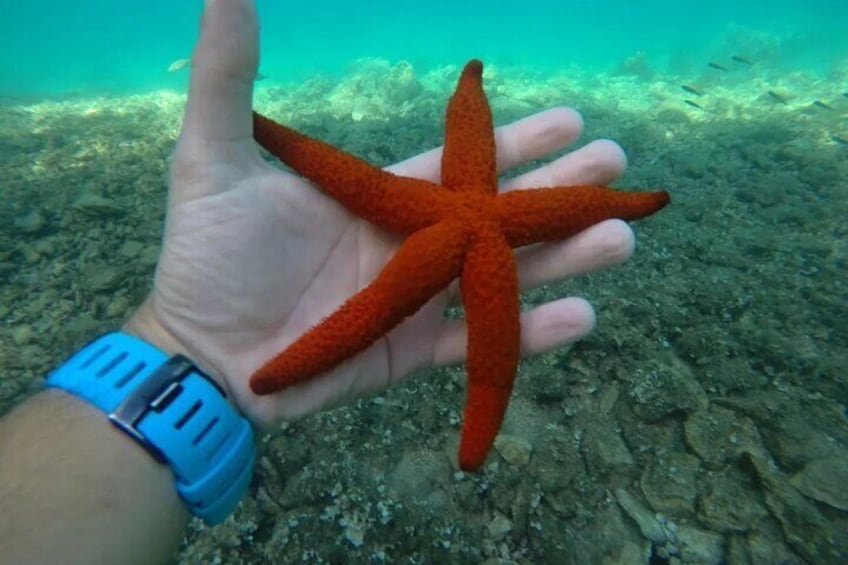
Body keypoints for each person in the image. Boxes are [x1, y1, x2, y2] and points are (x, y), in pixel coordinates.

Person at [0, 0, 644, 562]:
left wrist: (192, 356)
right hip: (445, 245)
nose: (468, 93)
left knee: (385, 305)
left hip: (441, 243)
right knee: (390, 302)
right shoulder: (475, 217)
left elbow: (358, 181)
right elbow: (351, 179)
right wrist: (199, 356)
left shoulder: (455, 213)